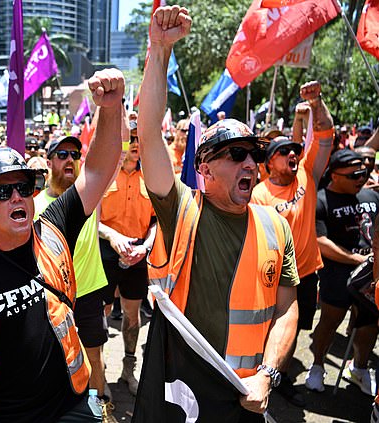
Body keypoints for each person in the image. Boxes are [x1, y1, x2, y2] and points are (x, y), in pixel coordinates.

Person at [0, 69, 124, 423]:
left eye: (24, 186)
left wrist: (110, 109)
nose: (17, 196)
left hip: (72, 407)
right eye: (2, 192)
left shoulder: (53, 229)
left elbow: (96, 171)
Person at [138, 6, 299, 419]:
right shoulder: (181, 209)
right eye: (237, 154)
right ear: (204, 169)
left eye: (255, 155)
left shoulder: (276, 226)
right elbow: (149, 133)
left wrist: (267, 375)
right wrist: (159, 51)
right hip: (187, 397)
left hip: (248, 395)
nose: (251, 164)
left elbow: (286, 309)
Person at [250, 82, 334, 406]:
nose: (292, 155)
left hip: (307, 272)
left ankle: (280, 375)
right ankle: (264, 371)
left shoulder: (307, 176)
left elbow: (325, 133)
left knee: (296, 325)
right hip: (274, 277)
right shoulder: (259, 195)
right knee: (268, 325)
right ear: (269, 163)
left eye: (294, 152)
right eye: (284, 152)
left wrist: (316, 102)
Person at [34, 135, 111, 409]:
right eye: (62, 154)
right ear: (49, 161)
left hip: (88, 293)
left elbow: (115, 149)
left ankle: (98, 409)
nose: (70, 159)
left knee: (94, 357)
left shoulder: (91, 195)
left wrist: (109, 105)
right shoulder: (35, 205)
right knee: (55, 361)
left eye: (75, 155)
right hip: (53, 299)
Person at [305, 149, 379, 396]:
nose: (362, 178)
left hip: (370, 275)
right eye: (355, 174)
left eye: (364, 172)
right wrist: (355, 257)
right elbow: (320, 240)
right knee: (329, 322)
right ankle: (317, 366)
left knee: (368, 325)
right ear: (335, 175)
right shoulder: (321, 200)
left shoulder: (371, 196)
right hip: (337, 274)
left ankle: (358, 368)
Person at [98, 125, 156, 397]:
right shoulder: (106, 174)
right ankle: (100, 376)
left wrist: (146, 245)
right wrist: (112, 236)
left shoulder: (152, 178)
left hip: (138, 255)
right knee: (101, 316)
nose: (134, 143)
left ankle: (128, 371)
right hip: (105, 255)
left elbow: (157, 222)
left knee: (133, 317)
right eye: (130, 138)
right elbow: (91, 220)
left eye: (138, 139)